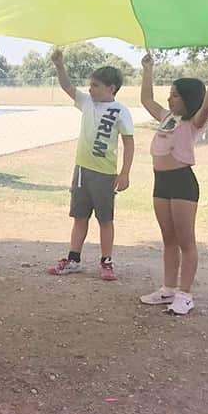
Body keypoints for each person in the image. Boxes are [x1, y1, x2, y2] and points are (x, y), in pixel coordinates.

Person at [138, 51, 208, 315]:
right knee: (168, 239)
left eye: (175, 94)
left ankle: (185, 294)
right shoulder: (167, 116)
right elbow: (146, 99)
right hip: (161, 183)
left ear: (188, 99)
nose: (170, 98)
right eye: (170, 93)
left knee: (186, 241)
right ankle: (168, 289)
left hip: (182, 184)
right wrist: (147, 68)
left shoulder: (193, 122)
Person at [48, 50, 135, 281]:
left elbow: (129, 143)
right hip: (81, 172)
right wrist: (59, 65)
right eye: (90, 85)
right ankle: (73, 259)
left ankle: (106, 262)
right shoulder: (86, 103)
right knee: (79, 216)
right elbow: (68, 87)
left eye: (96, 85)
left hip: (105, 174)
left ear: (111, 88)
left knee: (105, 219)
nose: (90, 89)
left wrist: (125, 173)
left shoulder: (121, 111)